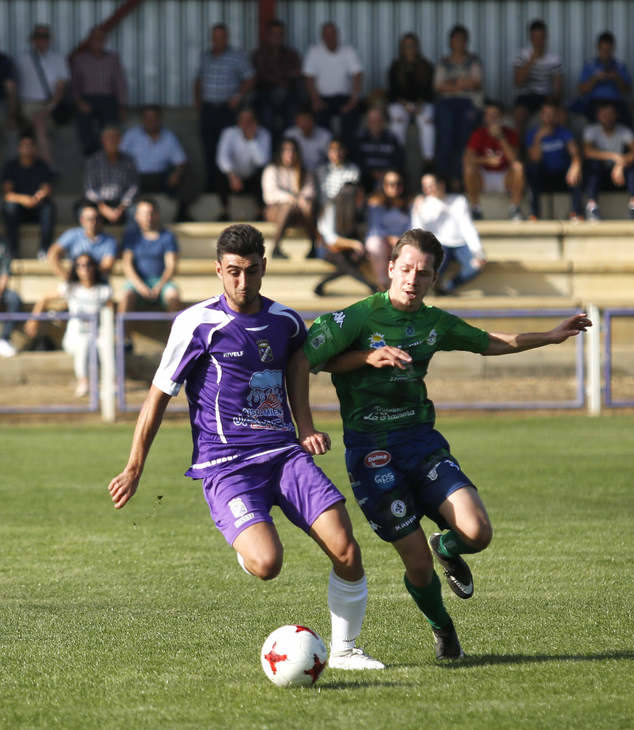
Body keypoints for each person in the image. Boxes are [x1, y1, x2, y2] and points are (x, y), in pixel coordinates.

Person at [108, 223, 384, 671]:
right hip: (226, 466)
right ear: (218, 270)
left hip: (284, 455)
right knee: (267, 563)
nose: (242, 282)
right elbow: (158, 395)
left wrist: (358, 366)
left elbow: (307, 364)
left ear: (263, 268)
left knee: (346, 549)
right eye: (233, 271)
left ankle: (346, 651)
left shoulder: (286, 321)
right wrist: (134, 466)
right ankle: (248, 544)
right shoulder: (197, 324)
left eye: (251, 271)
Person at [304, 228, 591, 659]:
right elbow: (308, 358)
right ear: (389, 269)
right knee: (417, 566)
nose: (412, 279)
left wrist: (549, 336)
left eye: (422, 273)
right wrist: (367, 357)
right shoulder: (360, 317)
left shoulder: (433, 323)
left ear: (434, 278)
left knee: (477, 532)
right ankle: (443, 630)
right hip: (371, 452)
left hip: (421, 442)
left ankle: (447, 546)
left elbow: (488, 341)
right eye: (405, 269)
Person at [24, 254, 112, 397]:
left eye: (88, 264)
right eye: (80, 265)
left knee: (106, 343)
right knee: (83, 343)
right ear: (75, 269)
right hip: (76, 336)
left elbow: (110, 314)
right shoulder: (71, 288)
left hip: (97, 335)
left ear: (94, 267)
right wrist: (33, 320)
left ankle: (110, 383)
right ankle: (83, 381)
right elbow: (44, 299)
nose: (85, 269)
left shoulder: (103, 290)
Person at [194, 23, 255, 192]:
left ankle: (227, 187)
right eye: (215, 37)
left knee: (226, 150)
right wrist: (198, 102)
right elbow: (199, 80)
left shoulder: (237, 56)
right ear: (212, 38)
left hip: (226, 110)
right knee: (208, 149)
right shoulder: (205, 56)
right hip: (208, 109)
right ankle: (211, 187)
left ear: (226, 38)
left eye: (221, 37)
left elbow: (250, 78)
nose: (218, 41)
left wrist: (238, 97)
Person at [313, 138, 374, 297]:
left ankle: (322, 284)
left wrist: (354, 245)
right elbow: (331, 241)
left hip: (346, 249)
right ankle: (372, 286)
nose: (360, 198)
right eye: (357, 196)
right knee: (343, 259)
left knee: (349, 260)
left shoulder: (361, 210)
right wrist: (353, 244)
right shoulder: (330, 209)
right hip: (326, 248)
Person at [120, 105, 198, 223]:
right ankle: (123, 216)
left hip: (161, 177)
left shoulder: (169, 136)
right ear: (142, 120)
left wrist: (176, 173)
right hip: (136, 177)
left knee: (188, 175)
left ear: (160, 119)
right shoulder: (132, 135)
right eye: (147, 118)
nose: (151, 121)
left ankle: (182, 213)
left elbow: (181, 161)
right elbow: (119, 157)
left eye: (154, 118)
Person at [412, 173, 485, 294]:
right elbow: (418, 230)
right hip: (440, 246)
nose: (428, 189)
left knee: (477, 265)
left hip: (461, 245)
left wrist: (478, 251)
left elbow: (467, 227)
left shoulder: (459, 200)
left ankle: (447, 288)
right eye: (425, 186)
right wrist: (417, 211)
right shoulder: (423, 204)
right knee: (430, 271)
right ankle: (435, 288)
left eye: (431, 185)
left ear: (441, 184)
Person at [433, 25, 483, 186]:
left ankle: (460, 179)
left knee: (465, 139)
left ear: (466, 42)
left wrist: (451, 83)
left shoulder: (474, 60)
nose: (459, 43)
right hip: (446, 104)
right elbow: (438, 86)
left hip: (468, 103)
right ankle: (443, 179)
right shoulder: (443, 62)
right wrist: (462, 83)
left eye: (462, 39)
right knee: (446, 138)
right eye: (455, 39)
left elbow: (476, 82)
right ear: (450, 42)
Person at [16, 24, 70, 169]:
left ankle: (43, 167)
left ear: (50, 39)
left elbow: (60, 88)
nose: (42, 40)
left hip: (51, 104)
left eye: (45, 37)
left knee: (41, 126)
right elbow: (15, 86)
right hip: (28, 104)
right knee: (39, 125)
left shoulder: (58, 59)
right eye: (38, 37)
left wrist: (49, 107)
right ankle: (48, 166)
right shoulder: (22, 59)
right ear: (32, 39)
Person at [303, 22, 363, 149]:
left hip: (344, 99)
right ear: (322, 36)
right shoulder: (314, 52)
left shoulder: (348, 51)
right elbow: (309, 78)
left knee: (351, 123)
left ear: (338, 35)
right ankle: (325, 157)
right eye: (326, 34)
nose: (330, 37)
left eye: (332, 33)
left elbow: (357, 75)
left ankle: (348, 157)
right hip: (322, 99)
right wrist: (315, 100)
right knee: (320, 124)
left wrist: (353, 100)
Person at [71, 26, 128, 156]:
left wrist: (122, 105)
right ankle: (91, 155)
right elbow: (74, 85)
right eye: (94, 38)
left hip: (107, 98)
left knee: (110, 128)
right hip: (87, 98)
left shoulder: (113, 58)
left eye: (101, 38)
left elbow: (120, 82)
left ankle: (108, 154)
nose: (98, 41)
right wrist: (79, 102)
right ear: (89, 40)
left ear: (105, 40)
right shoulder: (80, 59)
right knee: (84, 125)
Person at [464, 100, 525, 220]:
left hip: (505, 177)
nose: (492, 118)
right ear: (485, 117)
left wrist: (501, 138)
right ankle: (476, 209)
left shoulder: (510, 134)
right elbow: (468, 159)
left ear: (501, 117)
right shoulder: (479, 134)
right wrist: (486, 160)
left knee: (519, 168)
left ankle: (515, 208)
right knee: (469, 169)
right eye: (489, 114)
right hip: (484, 176)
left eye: (495, 115)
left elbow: (514, 160)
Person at [118, 197, 180, 314]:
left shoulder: (168, 236)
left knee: (173, 296)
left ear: (157, 214)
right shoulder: (131, 235)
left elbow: (171, 266)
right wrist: (140, 286)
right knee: (126, 295)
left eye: (151, 213)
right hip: (137, 282)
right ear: (136, 216)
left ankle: (176, 332)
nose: (148, 217)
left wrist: (159, 286)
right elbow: (127, 264)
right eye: (144, 214)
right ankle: (122, 333)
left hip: (162, 282)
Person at [582, 102, 634, 220]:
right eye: (604, 114)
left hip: (619, 176)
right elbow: (587, 152)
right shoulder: (592, 130)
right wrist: (613, 156)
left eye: (610, 114)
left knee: (633, 167)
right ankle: (591, 206)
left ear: (616, 115)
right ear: (598, 116)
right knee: (593, 165)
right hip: (601, 173)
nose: (607, 118)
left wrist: (621, 163)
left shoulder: (624, 130)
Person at [525, 99, 583, 221]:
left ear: (557, 116)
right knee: (532, 169)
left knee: (576, 168)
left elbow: (574, 152)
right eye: (546, 114)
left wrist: (576, 165)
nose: (549, 118)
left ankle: (576, 213)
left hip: (562, 175)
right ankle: (534, 214)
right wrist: (538, 138)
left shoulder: (564, 132)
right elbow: (535, 158)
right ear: (541, 116)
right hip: (544, 176)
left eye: (552, 115)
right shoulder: (533, 134)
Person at [2, 131, 55, 259]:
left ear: (35, 148)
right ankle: (12, 250)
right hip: (18, 209)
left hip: (37, 206)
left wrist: (36, 198)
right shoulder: (11, 166)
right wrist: (24, 199)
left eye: (30, 145)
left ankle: (44, 249)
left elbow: (46, 189)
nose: (27, 148)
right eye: (24, 145)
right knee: (9, 207)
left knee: (49, 207)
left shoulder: (42, 166)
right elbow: (8, 194)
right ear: (19, 148)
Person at [262, 138, 318, 259]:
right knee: (288, 207)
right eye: (286, 151)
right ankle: (276, 247)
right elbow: (270, 195)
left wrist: (300, 200)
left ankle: (313, 246)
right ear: (280, 153)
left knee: (309, 206)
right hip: (276, 211)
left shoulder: (303, 172)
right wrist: (292, 199)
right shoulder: (272, 170)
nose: (290, 154)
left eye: (293, 151)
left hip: (300, 213)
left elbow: (310, 191)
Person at [215, 107, 272, 221]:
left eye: (249, 121)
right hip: (233, 177)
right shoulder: (229, 133)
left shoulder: (264, 134)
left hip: (252, 178)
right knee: (219, 175)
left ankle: (260, 212)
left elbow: (262, 161)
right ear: (238, 122)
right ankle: (224, 211)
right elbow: (222, 158)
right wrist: (232, 176)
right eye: (243, 120)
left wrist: (251, 140)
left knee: (265, 174)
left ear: (256, 122)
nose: (246, 124)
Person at [387, 32, 435, 164]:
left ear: (417, 47)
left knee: (427, 123)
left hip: (421, 104)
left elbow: (429, 91)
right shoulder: (395, 66)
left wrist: (419, 104)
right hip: (400, 104)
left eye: (412, 46)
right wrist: (405, 105)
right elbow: (393, 92)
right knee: (398, 123)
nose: (410, 49)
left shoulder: (426, 66)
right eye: (406, 46)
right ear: (402, 48)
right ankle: (397, 160)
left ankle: (428, 160)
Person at [251, 19, 303, 140]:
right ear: (268, 35)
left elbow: (296, 73)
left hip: (288, 94)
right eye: (274, 33)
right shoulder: (259, 54)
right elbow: (258, 75)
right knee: (266, 116)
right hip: (265, 94)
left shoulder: (291, 54)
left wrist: (278, 77)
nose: (277, 36)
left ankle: (289, 147)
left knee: (293, 115)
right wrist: (281, 77)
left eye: (280, 33)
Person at [573, 31, 633, 128]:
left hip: (616, 103)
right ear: (598, 48)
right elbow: (581, 90)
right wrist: (595, 79)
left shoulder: (620, 66)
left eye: (608, 50)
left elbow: (627, 91)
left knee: (627, 122)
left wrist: (617, 78)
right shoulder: (589, 65)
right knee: (593, 122)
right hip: (595, 103)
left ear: (613, 48)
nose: (606, 53)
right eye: (603, 49)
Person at [513, 19, 563, 132]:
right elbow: (517, 83)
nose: (538, 41)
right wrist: (531, 61)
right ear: (531, 38)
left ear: (546, 37)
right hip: (526, 96)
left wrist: (554, 99)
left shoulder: (554, 59)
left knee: (561, 116)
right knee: (519, 116)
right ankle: (519, 149)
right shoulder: (522, 55)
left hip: (545, 96)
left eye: (541, 37)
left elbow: (558, 87)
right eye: (535, 38)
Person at [83, 124, 139, 224]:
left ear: (120, 140)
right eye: (108, 138)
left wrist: (121, 207)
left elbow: (133, 186)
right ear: (102, 140)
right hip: (98, 203)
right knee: (86, 213)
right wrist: (103, 208)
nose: (112, 141)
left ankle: (131, 239)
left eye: (115, 138)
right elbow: (89, 189)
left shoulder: (129, 161)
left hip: (123, 204)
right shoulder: (93, 161)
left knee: (137, 212)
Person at [47, 200, 118, 279]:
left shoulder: (110, 241)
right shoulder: (72, 234)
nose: (93, 222)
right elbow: (52, 254)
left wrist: (87, 279)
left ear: (101, 220)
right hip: (74, 280)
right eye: (89, 219)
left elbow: (106, 267)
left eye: (96, 218)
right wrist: (67, 277)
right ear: (82, 220)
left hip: (98, 282)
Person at [365, 169, 411, 291]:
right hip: (383, 240)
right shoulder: (375, 203)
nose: (395, 187)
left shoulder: (409, 203)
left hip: (404, 240)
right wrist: (390, 238)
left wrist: (402, 240)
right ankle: (382, 283)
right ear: (384, 185)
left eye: (398, 183)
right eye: (390, 184)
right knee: (374, 244)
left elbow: (412, 225)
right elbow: (375, 227)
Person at [353, 106, 404, 193]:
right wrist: (372, 173)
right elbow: (358, 160)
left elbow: (398, 160)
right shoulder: (360, 139)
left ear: (383, 122)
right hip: (367, 177)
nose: (375, 123)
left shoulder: (392, 139)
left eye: (378, 120)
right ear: (368, 122)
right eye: (372, 121)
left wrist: (385, 173)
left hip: (387, 175)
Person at [283, 107, 331, 172]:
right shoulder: (290, 134)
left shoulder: (325, 135)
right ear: (297, 122)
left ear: (313, 121)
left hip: (318, 171)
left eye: (307, 120)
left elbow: (329, 159)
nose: (304, 123)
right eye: (301, 120)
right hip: (295, 170)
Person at [0, 235, 21, 357]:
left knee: (14, 299)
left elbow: (4, 273)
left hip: (1, 289)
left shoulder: (3, 244)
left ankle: (4, 339)